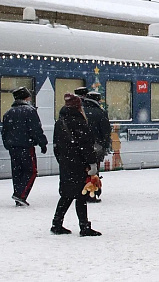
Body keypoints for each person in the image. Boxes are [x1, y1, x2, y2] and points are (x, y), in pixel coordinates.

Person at [51, 93, 101, 236]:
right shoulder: (79, 122)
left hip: (66, 163)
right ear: (78, 106)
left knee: (66, 195)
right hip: (79, 164)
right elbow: (86, 146)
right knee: (81, 196)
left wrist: (63, 160)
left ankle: (56, 223)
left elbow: (56, 146)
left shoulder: (60, 122)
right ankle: (84, 227)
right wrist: (91, 163)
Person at [2, 86, 48, 206]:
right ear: (26, 97)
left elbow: (4, 132)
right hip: (26, 146)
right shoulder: (29, 111)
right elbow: (36, 129)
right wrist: (42, 143)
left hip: (13, 147)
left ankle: (18, 194)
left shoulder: (8, 112)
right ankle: (20, 195)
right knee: (31, 171)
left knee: (17, 172)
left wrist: (8, 144)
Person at [80, 89, 111, 202]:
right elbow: (106, 131)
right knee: (93, 170)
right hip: (95, 146)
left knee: (83, 169)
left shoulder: (80, 110)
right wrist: (106, 144)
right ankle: (92, 193)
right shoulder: (100, 112)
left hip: (80, 146)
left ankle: (82, 191)